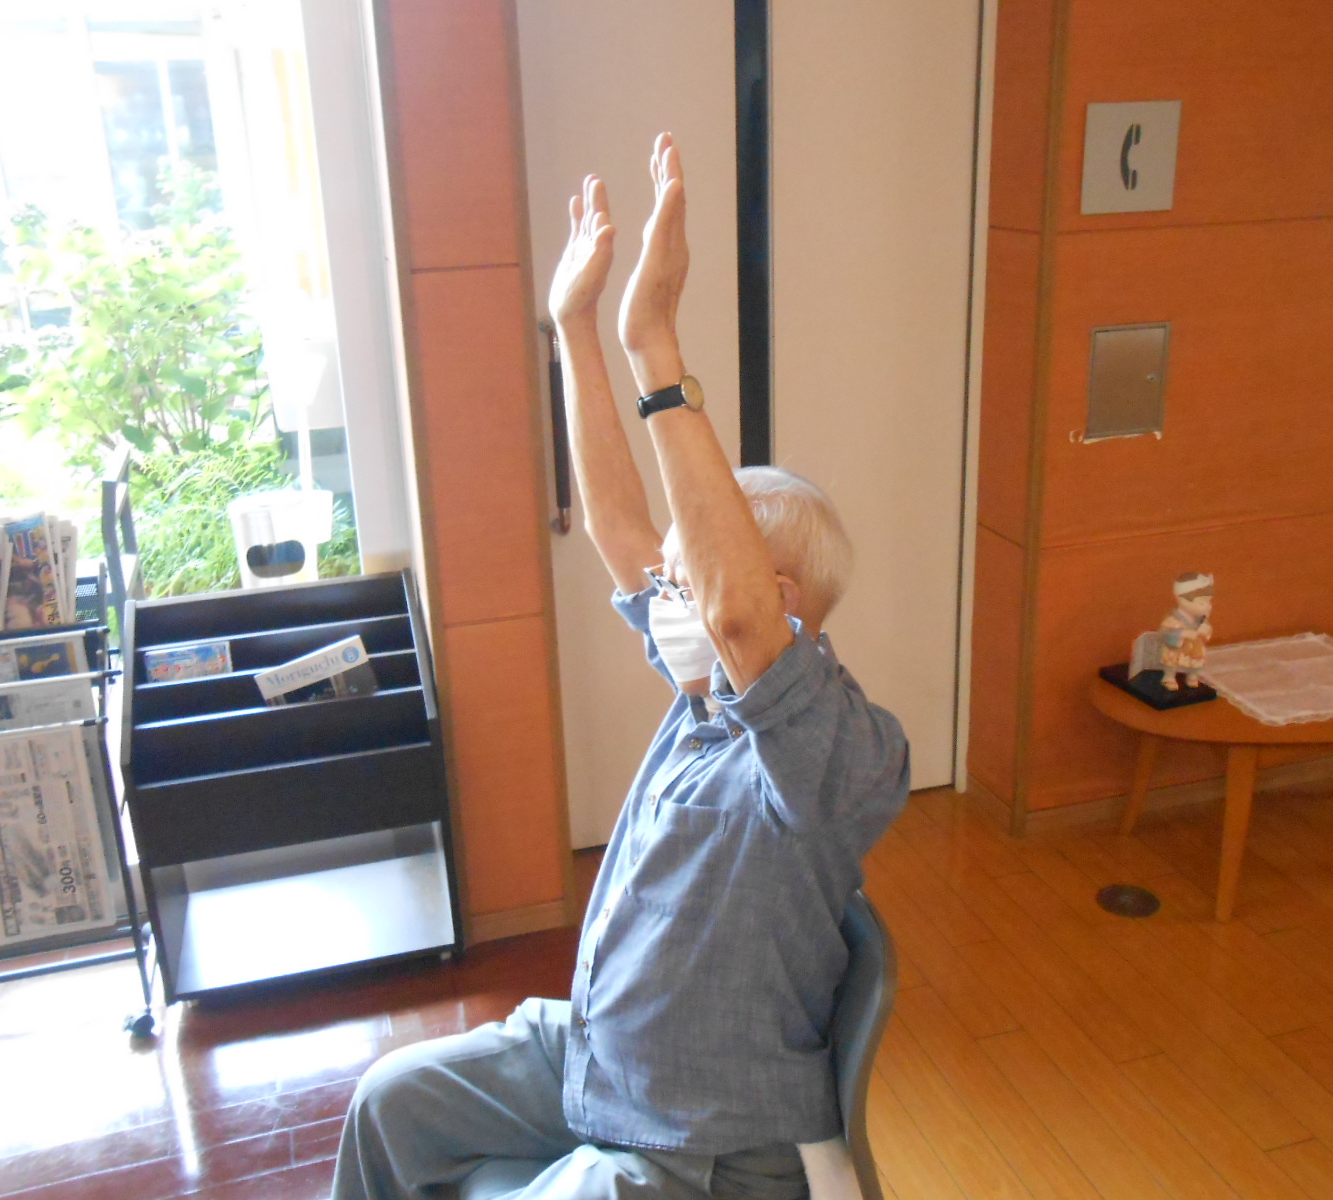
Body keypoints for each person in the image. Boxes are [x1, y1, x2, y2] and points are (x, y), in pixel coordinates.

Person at [331, 134, 909, 1200]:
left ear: (779, 603)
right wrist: (574, 331)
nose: (667, 595)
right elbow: (618, 528)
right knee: (390, 1099)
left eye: (690, 582)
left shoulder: (848, 753)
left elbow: (738, 617)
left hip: (706, 1139)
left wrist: (657, 351)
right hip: (600, 1058)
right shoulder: (702, 696)